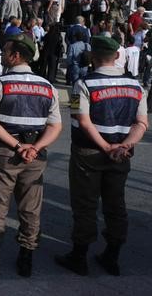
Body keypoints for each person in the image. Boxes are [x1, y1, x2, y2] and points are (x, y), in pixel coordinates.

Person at [0, 34, 62, 278]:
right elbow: (55, 127)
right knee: (31, 208)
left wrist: (18, 147)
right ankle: (26, 259)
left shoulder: (0, 83)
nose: (3, 54)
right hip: (35, 157)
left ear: (15, 55)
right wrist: (34, 148)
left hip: (5, 153)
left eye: (6, 50)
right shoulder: (48, 86)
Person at [56, 36, 147, 277]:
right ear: (118, 56)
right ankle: (112, 255)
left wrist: (106, 147)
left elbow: (81, 120)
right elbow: (141, 123)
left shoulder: (83, 84)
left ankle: (79, 256)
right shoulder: (135, 85)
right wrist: (123, 146)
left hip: (89, 152)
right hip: (121, 154)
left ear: (93, 57)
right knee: (116, 205)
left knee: (85, 204)